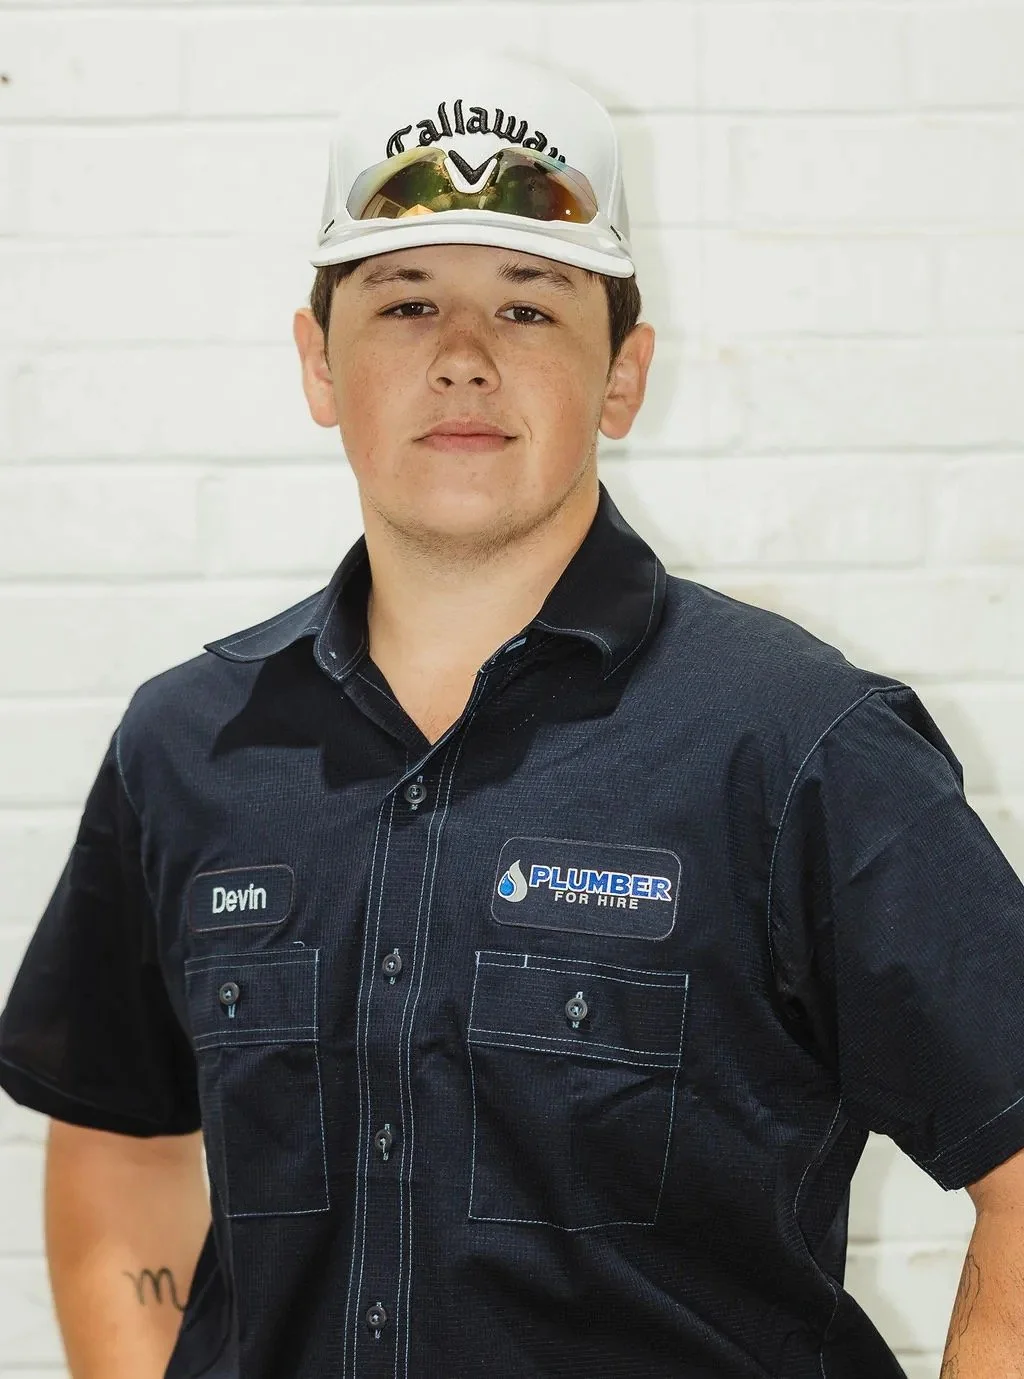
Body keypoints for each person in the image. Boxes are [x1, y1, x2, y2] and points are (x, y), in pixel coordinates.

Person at [1, 50, 1023, 1379]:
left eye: (532, 309)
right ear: (319, 362)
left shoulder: (799, 750)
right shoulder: (188, 747)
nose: (466, 357)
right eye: (407, 301)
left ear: (623, 374)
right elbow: (126, 1140)